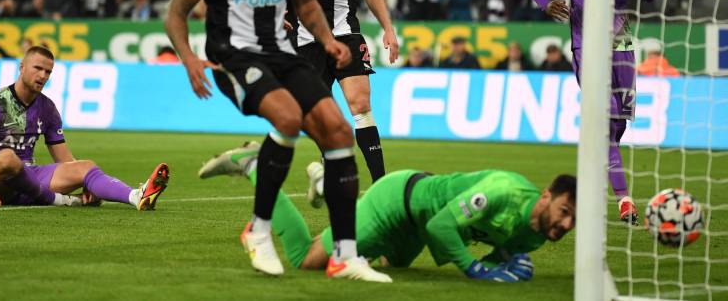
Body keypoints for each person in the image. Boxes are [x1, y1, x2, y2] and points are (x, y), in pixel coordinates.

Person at [164, 0, 389, 282]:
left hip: (283, 53)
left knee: (338, 130)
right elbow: (176, 12)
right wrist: (188, 59)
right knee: (288, 118)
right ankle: (259, 229)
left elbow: (305, 3)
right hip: (233, 56)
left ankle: (345, 254)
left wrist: (329, 40)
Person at [200, 142, 576, 282]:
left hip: (415, 229)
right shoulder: (501, 191)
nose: (566, 224)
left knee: (382, 265)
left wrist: (501, 266)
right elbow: (442, 225)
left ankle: (326, 186)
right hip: (397, 201)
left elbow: (499, 252)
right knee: (307, 260)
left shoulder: (538, 232)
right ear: (545, 197)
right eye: (563, 211)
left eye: (572, 219)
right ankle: (254, 165)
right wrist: (476, 270)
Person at [529, 0, 656, 224]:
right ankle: (624, 199)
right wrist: (545, 4)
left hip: (623, 44)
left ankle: (604, 165)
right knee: (604, 123)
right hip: (586, 45)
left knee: (617, 124)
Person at [0, 46, 169, 210]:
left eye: (48, 72)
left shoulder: (47, 108)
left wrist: (85, 183)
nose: (43, 75)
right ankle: (56, 199)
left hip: (30, 176)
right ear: (21, 67)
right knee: (7, 157)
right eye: (37, 68)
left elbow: (64, 159)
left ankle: (136, 196)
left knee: (85, 166)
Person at [293, 0, 399, 182]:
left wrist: (388, 29)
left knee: (361, 105)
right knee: (316, 114)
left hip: (346, 34)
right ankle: (330, 168)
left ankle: (380, 183)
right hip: (306, 41)